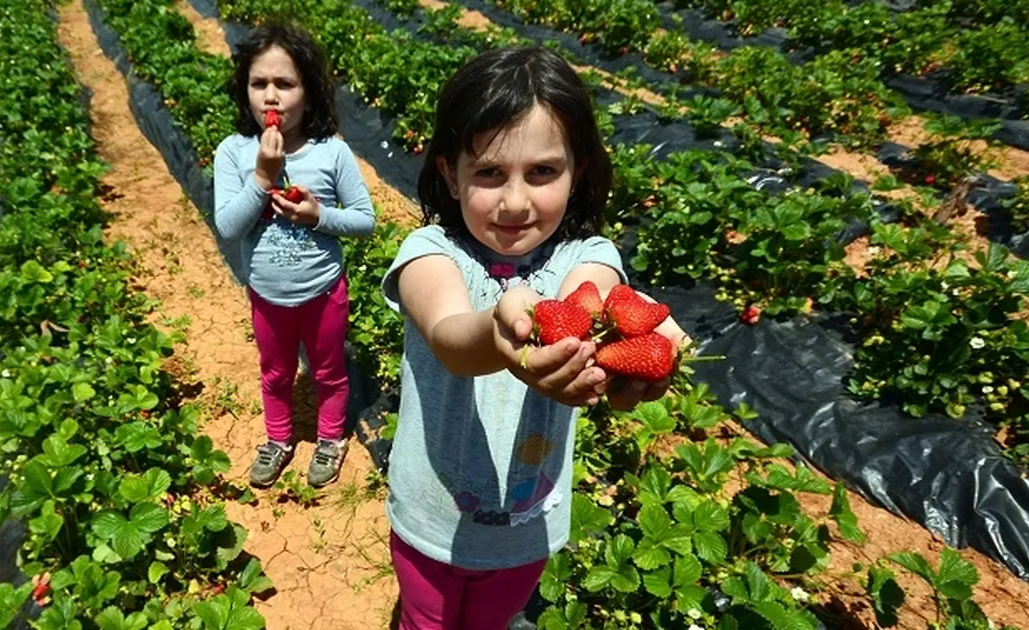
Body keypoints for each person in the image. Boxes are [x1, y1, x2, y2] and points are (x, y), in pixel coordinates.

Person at [381, 46, 685, 629]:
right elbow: (449, 336)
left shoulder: (588, 258)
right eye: (490, 173)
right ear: (450, 172)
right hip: (431, 519)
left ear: (580, 170)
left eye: (542, 172)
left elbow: (587, 298)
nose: (515, 201)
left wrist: (633, 346)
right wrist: (502, 331)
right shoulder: (430, 254)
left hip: (528, 525)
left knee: (494, 620)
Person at [214, 24, 375, 489]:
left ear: (310, 92)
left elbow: (365, 220)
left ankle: (329, 438)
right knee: (276, 371)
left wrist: (318, 215)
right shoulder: (233, 153)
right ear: (244, 89)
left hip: (323, 291)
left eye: (284, 84)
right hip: (266, 294)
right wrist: (262, 177)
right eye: (258, 83)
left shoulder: (332, 154)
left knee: (328, 370)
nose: (271, 96)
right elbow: (228, 226)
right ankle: (279, 439)